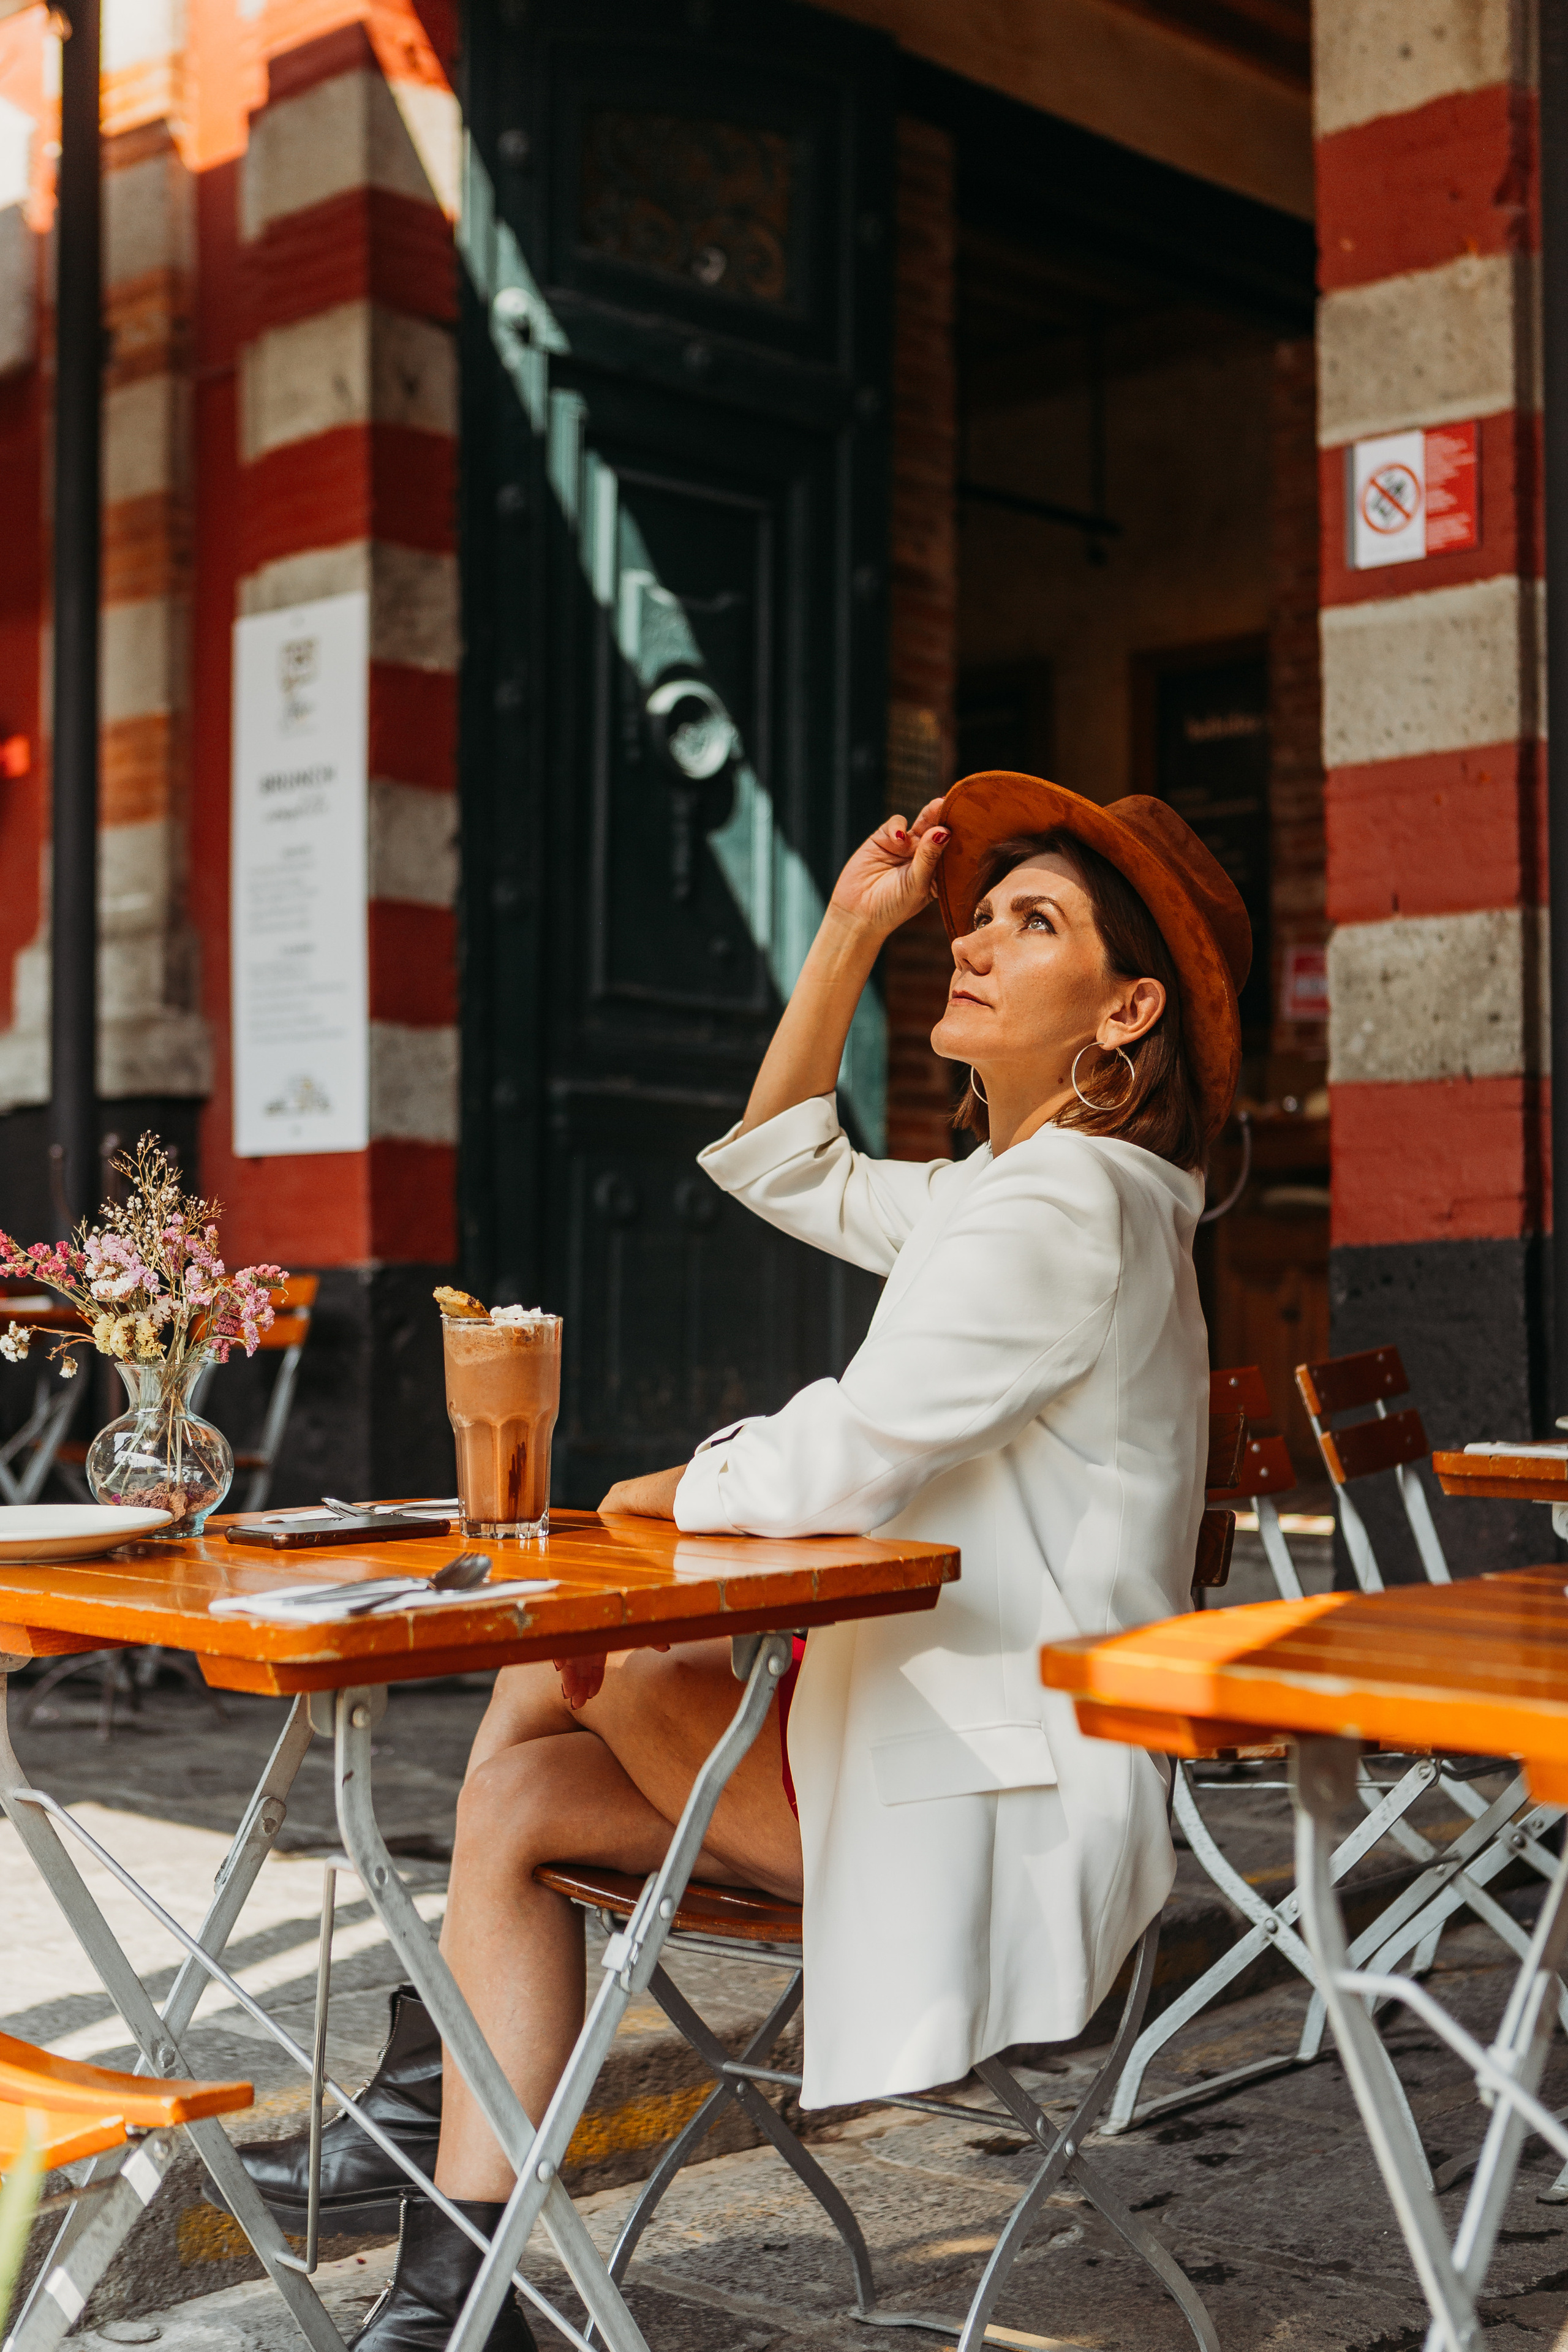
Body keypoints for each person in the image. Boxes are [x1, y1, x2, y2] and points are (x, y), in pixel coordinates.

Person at [234, 771, 1250, 2351]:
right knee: (513, 1802)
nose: (973, 941)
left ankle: (413, 2126)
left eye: (1031, 924)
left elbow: (842, 1455)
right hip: (928, 1753)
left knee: (594, 1639)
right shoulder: (1019, 1191)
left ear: (1126, 1014)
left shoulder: (1071, 1207)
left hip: (1004, 1806)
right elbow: (784, 1162)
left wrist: (650, 1489)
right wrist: (851, 929)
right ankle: (462, 2281)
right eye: (977, 916)